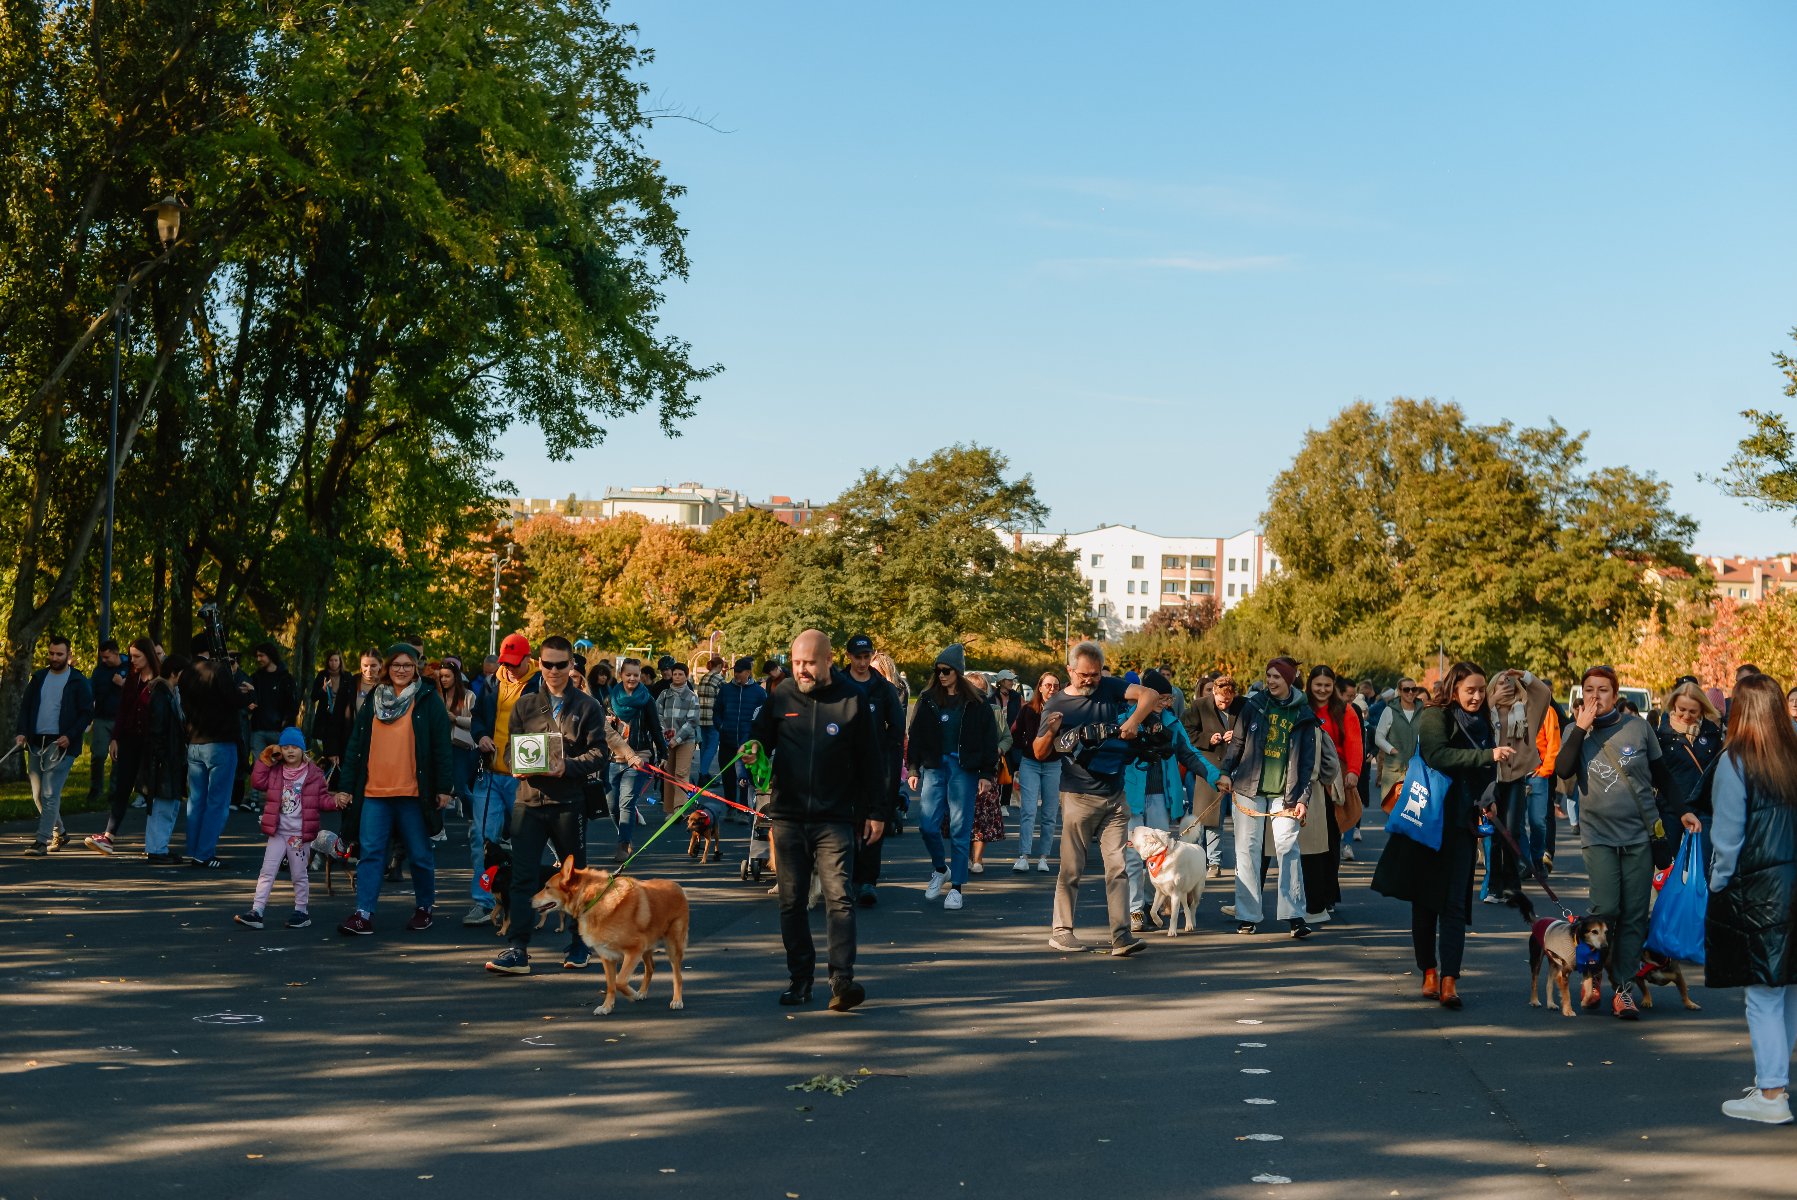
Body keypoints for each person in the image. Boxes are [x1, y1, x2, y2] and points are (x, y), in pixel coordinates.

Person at [743, 630, 889, 1010]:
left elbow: (872, 761)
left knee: (840, 898)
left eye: (809, 663)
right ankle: (800, 979)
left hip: (836, 817)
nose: (801, 670)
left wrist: (876, 812)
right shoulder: (782, 694)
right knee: (791, 903)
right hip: (788, 815)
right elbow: (760, 738)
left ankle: (842, 979)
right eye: (796, 663)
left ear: (828, 661)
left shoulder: (851, 698)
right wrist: (753, 749)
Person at [485, 636, 640, 975]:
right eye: (547, 664)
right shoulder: (526, 705)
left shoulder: (586, 706)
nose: (553, 670)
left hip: (569, 802)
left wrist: (567, 766)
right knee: (522, 877)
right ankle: (518, 948)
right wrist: (514, 764)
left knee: (575, 880)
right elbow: (512, 749)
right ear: (538, 664)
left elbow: (600, 753)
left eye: (560, 664)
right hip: (528, 801)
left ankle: (579, 943)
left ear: (572, 665)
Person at [1373, 661, 1512, 1010]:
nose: (1478, 697)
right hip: (1429, 819)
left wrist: (1489, 800)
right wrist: (1487, 754)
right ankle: (1429, 972)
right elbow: (1437, 755)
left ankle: (1450, 979)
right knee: (1426, 902)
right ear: (1454, 689)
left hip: (1463, 825)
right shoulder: (1436, 715)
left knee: (1454, 904)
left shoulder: (1482, 721)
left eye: (1482, 690)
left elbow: (1485, 770)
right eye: (1471, 690)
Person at [1554, 664, 1677, 1019]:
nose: (1596, 696)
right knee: (1606, 909)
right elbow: (1562, 771)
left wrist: (1683, 810)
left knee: (1636, 914)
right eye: (1589, 689)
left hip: (1639, 835)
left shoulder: (1638, 728)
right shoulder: (1574, 731)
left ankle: (1622, 989)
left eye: (1603, 690)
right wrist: (1579, 727)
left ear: (1616, 694)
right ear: (1581, 695)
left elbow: (1662, 775)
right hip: (1599, 836)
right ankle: (1591, 975)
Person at [1706, 672, 1797, 1125]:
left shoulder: (1735, 761)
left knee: (1762, 993)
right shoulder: (1794, 755)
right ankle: (1774, 1083)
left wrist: (1718, 886)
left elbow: (1727, 839)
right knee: (1789, 988)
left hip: (1759, 892)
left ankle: (1772, 1093)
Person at [1037, 640, 1161, 955]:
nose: (1090, 680)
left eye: (1094, 674)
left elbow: (1150, 695)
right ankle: (1061, 931)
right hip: (1078, 795)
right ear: (1070, 671)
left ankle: (1121, 936)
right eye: (1083, 675)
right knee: (1072, 867)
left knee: (1118, 866)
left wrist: (1131, 723)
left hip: (1115, 795)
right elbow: (1039, 752)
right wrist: (1052, 732)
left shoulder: (1109, 687)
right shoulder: (1057, 705)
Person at [333, 644, 454, 936]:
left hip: (413, 794)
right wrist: (346, 786)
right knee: (371, 854)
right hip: (374, 793)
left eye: (408, 665)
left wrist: (443, 788)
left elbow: (441, 747)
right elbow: (355, 747)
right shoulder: (375, 698)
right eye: (396, 664)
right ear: (388, 667)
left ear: (416, 668)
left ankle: (425, 907)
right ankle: (363, 913)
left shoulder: (427, 700)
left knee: (420, 854)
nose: (402, 670)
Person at [1220, 657, 1327, 939]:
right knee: (1247, 849)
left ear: (1289, 680)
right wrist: (1225, 772)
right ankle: (1247, 915)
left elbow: (1306, 763)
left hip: (1286, 792)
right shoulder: (1253, 706)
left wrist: (1302, 798)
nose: (1271, 681)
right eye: (1268, 676)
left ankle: (1294, 915)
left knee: (1288, 848)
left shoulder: (1303, 713)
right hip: (1248, 787)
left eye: (1277, 677)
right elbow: (1238, 744)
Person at [1122, 670, 1226, 931]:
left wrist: (1215, 777)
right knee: (1133, 858)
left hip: (1161, 796)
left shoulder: (1172, 723)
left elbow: (1190, 755)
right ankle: (1135, 909)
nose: (1168, 704)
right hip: (1130, 796)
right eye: (1163, 698)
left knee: (1158, 856)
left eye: (1170, 699)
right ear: (1146, 694)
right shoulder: (1124, 718)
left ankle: (1148, 903)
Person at [906, 647, 1000, 909]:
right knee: (927, 825)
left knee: (960, 829)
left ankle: (957, 887)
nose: (941, 675)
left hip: (965, 769)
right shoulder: (927, 699)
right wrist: (912, 768)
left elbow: (989, 740)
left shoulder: (977, 702)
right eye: (938, 671)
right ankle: (940, 868)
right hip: (935, 766)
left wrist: (986, 774)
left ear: (957, 672)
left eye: (946, 671)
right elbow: (915, 736)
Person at [236, 728, 341, 930]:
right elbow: (257, 782)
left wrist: (336, 801)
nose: (290, 751)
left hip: (299, 835)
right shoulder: (275, 770)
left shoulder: (314, 774)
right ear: (279, 750)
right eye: (285, 747)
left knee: (299, 873)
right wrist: (266, 759)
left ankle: (301, 911)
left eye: (295, 747)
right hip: (278, 832)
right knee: (267, 871)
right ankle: (257, 910)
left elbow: (322, 800)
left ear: (303, 750)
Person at [465, 633, 536, 926]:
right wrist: (480, 735)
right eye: (504, 662)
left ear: (528, 659)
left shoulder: (541, 683)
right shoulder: (493, 681)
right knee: (482, 838)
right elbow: (478, 716)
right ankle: (484, 901)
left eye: (514, 663)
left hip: (524, 779)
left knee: (526, 840)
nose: (508, 668)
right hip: (491, 773)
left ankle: (525, 900)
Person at [838, 634, 903, 906]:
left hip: (873, 767)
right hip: (841, 765)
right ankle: (844, 876)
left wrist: (884, 759)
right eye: (858, 657)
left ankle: (867, 880)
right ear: (849, 657)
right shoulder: (837, 683)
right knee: (842, 823)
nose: (863, 662)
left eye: (867, 657)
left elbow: (897, 729)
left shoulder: (883, 689)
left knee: (873, 822)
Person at [16, 636, 95, 855]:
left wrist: (70, 735)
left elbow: (87, 713)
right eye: (51, 653)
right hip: (36, 743)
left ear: (69, 655)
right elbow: (26, 707)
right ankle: (60, 832)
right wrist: (22, 732)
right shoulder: (39, 677)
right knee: (38, 795)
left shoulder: (78, 681)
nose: (54, 658)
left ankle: (41, 841)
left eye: (59, 654)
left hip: (61, 746)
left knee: (50, 794)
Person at [85, 637, 159, 854]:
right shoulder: (133, 678)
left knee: (150, 789)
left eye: (137, 656)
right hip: (129, 738)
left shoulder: (158, 680)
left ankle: (155, 840)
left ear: (148, 655)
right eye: (131, 656)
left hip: (150, 741)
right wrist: (115, 738)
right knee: (122, 786)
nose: (133, 661)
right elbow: (123, 709)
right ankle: (109, 836)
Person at [1304, 665, 1360, 917]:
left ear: (1333, 686)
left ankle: (1328, 893)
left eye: (1327, 685)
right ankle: (1309, 893)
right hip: (1306, 779)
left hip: (1333, 782)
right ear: (1310, 685)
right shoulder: (1302, 707)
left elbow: (1354, 742)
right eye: (1318, 685)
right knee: (1307, 841)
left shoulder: (1344, 710)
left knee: (1330, 840)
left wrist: (1354, 772)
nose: (1322, 690)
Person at [180, 655, 242, 868]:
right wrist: (247, 693)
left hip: (195, 742)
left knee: (196, 801)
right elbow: (233, 700)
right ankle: (204, 853)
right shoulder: (218, 670)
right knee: (218, 802)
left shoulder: (188, 672)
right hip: (220, 742)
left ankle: (195, 849)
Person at [608, 658, 667, 859]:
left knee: (627, 802)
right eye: (628, 674)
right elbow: (603, 730)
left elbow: (655, 728)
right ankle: (624, 835)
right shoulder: (611, 698)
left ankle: (623, 845)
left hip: (639, 756)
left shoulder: (646, 699)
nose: (632, 678)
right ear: (621, 675)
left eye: (636, 674)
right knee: (612, 805)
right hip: (614, 757)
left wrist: (663, 754)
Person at [1188, 672, 1245, 877]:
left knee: (1243, 819)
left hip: (1239, 768)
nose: (1225, 703)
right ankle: (1212, 862)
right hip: (1209, 766)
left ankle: (1241, 862)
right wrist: (1208, 739)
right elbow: (1187, 732)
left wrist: (1238, 736)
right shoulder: (1199, 706)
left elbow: (1252, 730)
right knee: (1210, 818)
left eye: (1229, 700)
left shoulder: (1243, 705)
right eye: (1221, 700)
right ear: (1214, 692)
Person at [1657, 680, 1722, 856]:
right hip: (1671, 810)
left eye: (1692, 711)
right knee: (1668, 868)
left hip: (1703, 808)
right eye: (1681, 709)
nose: (1686, 715)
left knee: (1700, 865)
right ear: (1674, 706)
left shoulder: (1712, 733)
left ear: (1702, 709)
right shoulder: (1662, 735)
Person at [140, 655, 191, 865]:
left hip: (169, 756)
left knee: (168, 805)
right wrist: (162, 755)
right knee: (163, 805)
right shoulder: (162, 695)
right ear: (175, 673)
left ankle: (159, 846)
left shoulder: (170, 693)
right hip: (164, 758)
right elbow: (157, 729)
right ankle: (156, 848)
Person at [1012, 672, 1063, 874]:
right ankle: (1023, 855)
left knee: (1050, 813)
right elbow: (1014, 734)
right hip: (1030, 763)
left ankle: (1044, 857)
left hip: (1054, 764)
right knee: (1028, 810)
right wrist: (1021, 753)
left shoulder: (1064, 711)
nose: (1052, 689)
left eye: (1056, 686)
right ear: (1040, 687)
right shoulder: (1027, 711)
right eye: (1048, 685)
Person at [964, 670, 1012, 875]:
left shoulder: (995, 711)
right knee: (964, 816)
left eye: (981, 690)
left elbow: (1007, 738)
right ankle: (964, 857)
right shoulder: (961, 709)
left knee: (984, 817)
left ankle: (978, 859)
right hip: (964, 771)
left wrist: (999, 749)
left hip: (988, 770)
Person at [713, 656, 766, 812]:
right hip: (726, 741)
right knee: (727, 777)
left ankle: (743, 809)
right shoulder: (725, 690)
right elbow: (716, 711)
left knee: (744, 777)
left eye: (740, 672)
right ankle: (730, 807)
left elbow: (764, 716)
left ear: (748, 672)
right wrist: (721, 726)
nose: (736, 674)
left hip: (747, 744)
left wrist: (756, 736)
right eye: (735, 671)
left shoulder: (758, 692)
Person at [245, 641, 300, 773]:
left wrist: (286, 726)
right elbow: (250, 702)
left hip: (278, 732)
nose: (259, 659)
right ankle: (255, 794)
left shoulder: (286, 678)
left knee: (279, 769)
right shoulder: (256, 677)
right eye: (257, 656)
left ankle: (277, 794)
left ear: (270, 656)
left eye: (261, 655)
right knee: (259, 767)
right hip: (258, 730)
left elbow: (292, 706)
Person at [436, 658, 477, 819]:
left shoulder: (468, 696)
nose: (444, 680)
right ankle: (438, 829)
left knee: (461, 788)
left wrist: (456, 719)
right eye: (442, 676)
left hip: (461, 747)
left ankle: (476, 820)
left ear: (456, 677)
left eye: (447, 676)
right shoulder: (437, 695)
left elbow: (477, 722)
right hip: (440, 747)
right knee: (440, 789)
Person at [658, 661, 700, 817]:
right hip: (667, 740)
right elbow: (658, 715)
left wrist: (678, 738)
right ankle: (669, 809)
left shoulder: (691, 697)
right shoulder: (664, 694)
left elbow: (693, 721)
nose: (677, 676)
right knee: (668, 773)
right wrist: (665, 734)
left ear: (686, 676)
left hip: (686, 740)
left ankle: (679, 809)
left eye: (680, 674)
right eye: (674, 674)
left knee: (681, 773)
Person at [85, 640, 125, 804]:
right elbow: (91, 693)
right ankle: (96, 789)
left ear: (116, 653)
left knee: (118, 757)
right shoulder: (99, 671)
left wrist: (122, 683)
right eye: (102, 657)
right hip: (102, 717)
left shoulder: (130, 666)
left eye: (107, 657)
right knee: (99, 754)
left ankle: (115, 791)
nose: (104, 660)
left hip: (121, 718)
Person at [308, 651, 355, 770]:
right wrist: (323, 689)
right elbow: (313, 697)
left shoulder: (347, 676)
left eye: (336, 660)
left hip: (342, 718)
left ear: (340, 662)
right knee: (327, 751)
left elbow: (352, 696)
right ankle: (327, 776)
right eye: (331, 660)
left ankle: (339, 776)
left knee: (341, 748)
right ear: (327, 662)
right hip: (326, 719)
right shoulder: (322, 675)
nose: (333, 663)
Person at [695, 654, 726, 779]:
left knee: (704, 746)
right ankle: (703, 774)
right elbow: (723, 699)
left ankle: (704, 772)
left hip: (701, 717)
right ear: (719, 666)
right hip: (713, 718)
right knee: (712, 747)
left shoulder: (703, 678)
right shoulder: (719, 679)